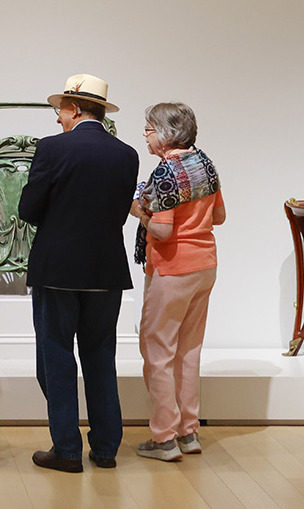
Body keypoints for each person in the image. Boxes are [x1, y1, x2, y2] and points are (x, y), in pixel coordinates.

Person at [19, 74, 139, 473]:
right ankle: (105, 448)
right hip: (106, 269)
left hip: (57, 268)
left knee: (55, 357)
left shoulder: (52, 149)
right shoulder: (127, 154)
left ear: (73, 108)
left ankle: (67, 448)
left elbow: (29, 209)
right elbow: (121, 210)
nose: (57, 119)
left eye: (60, 111)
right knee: (101, 357)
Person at [130, 102, 225, 461]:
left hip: (172, 270)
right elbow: (220, 216)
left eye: (150, 128)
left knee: (158, 353)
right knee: (188, 352)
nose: (145, 134)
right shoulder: (205, 164)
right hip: (205, 266)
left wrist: (139, 210)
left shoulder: (166, 175)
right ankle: (189, 432)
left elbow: (162, 231)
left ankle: (164, 438)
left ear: (168, 135)